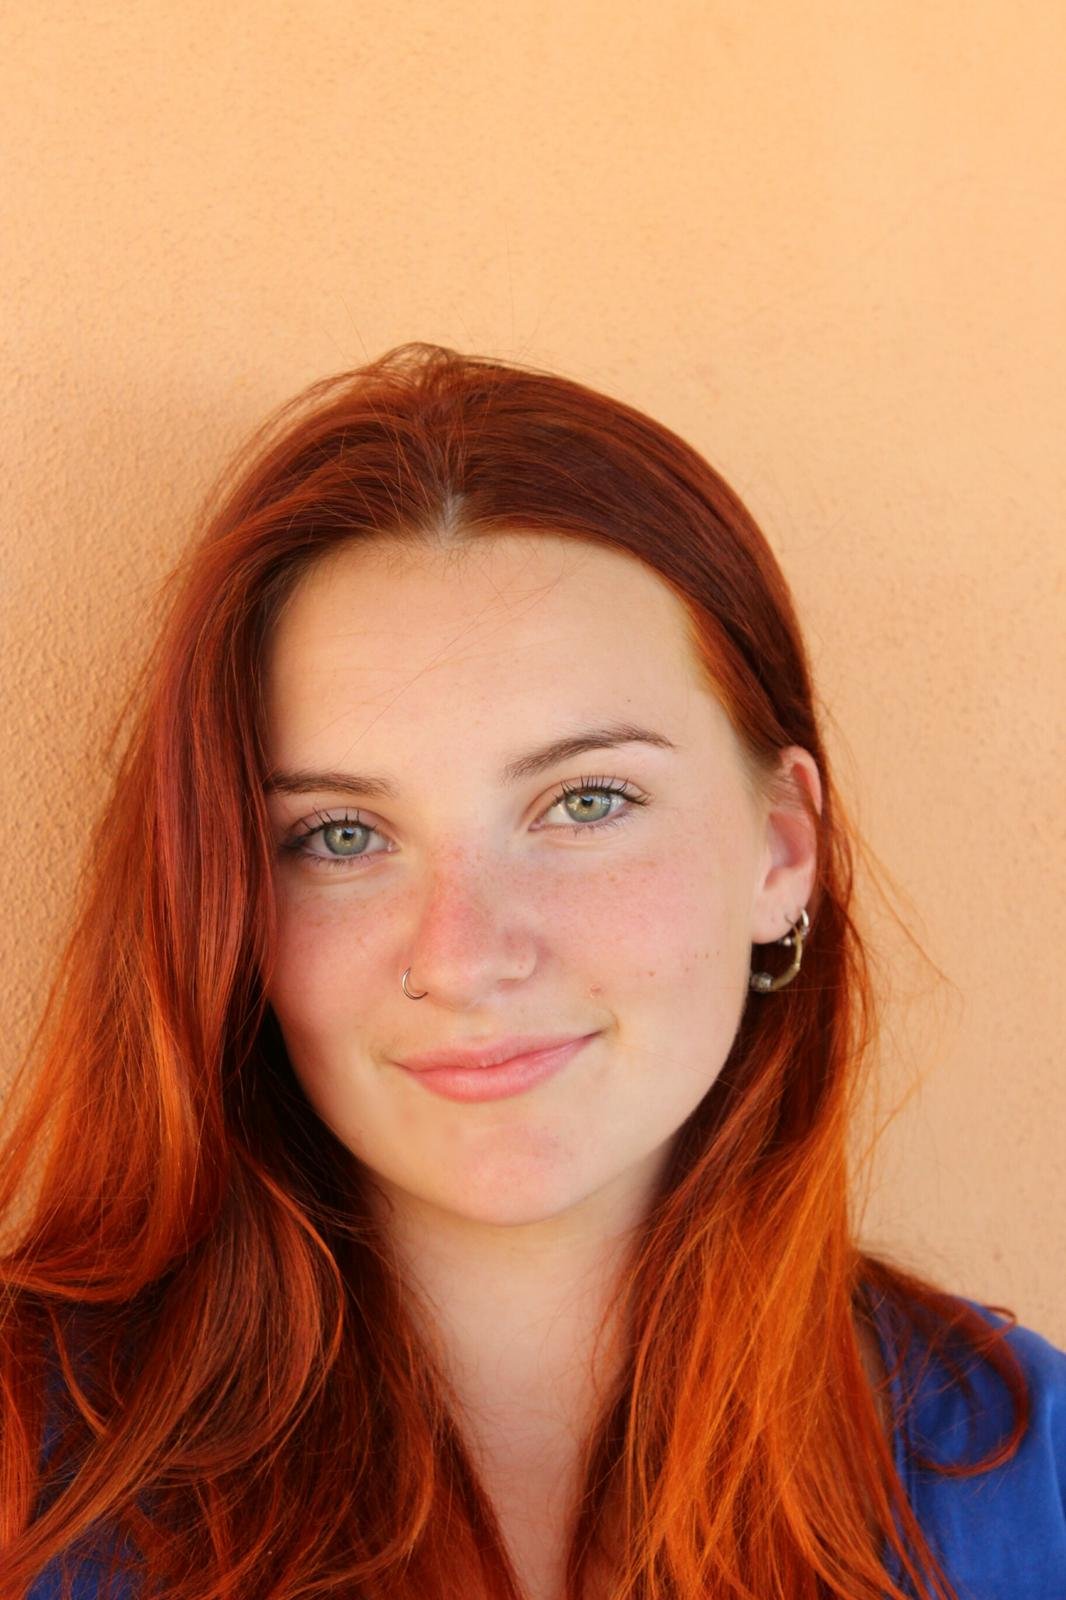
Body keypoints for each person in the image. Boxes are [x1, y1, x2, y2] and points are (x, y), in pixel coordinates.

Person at [1, 343, 1062, 1600]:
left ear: (782, 848)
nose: (464, 953)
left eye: (586, 800)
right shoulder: (30, 1470)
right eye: (341, 835)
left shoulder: (1021, 1469)